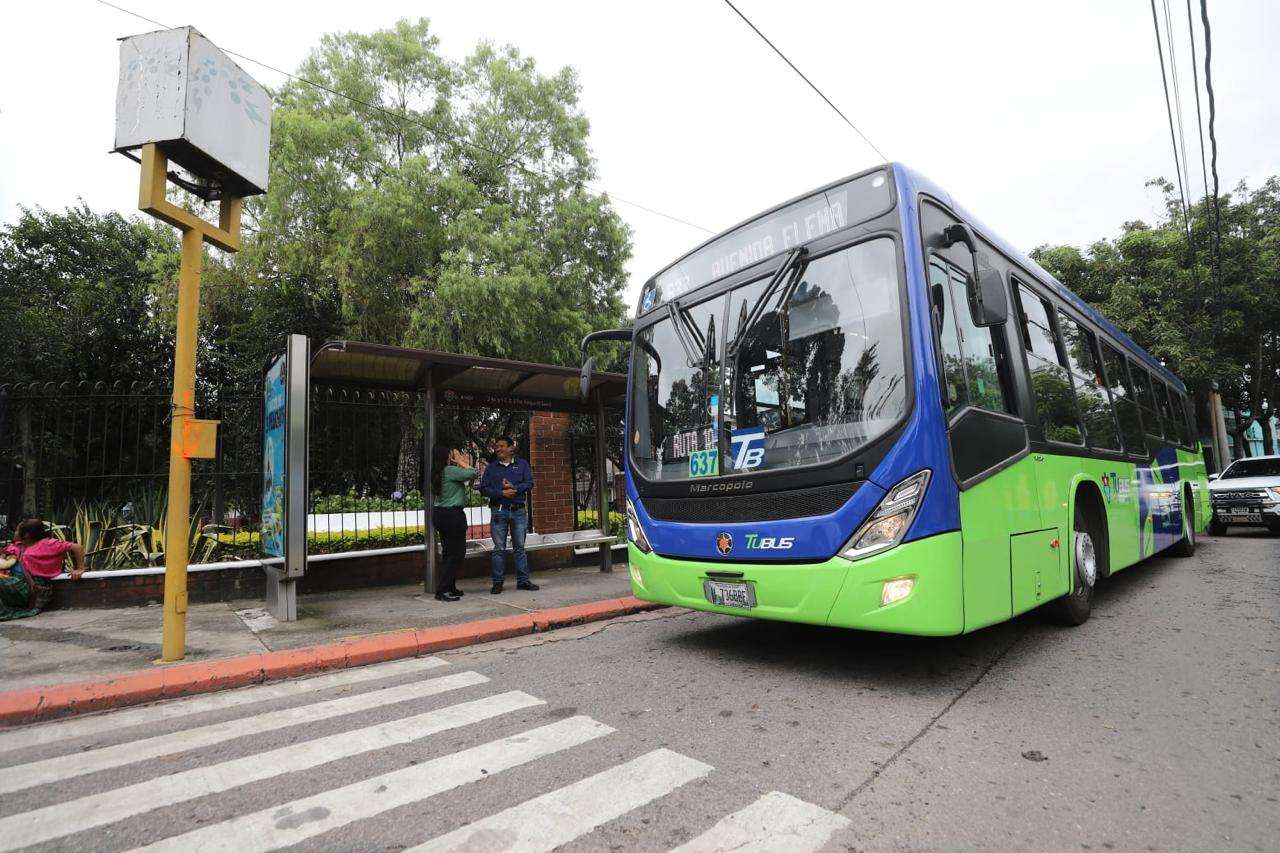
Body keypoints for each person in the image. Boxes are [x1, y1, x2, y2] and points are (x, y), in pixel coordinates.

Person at [478, 435, 538, 594]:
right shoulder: (491, 468)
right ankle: (497, 583)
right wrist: (501, 493)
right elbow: (483, 489)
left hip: (518, 511)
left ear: (511, 448)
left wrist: (515, 488)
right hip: (499, 511)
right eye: (497, 446)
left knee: (520, 547)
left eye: (502, 446)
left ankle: (523, 581)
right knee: (499, 548)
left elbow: (529, 483)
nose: (498, 449)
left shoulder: (522, 464)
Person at [1, 518, 85, 621]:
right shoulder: (19, 545)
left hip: (32, 587)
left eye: (17, 530)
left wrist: (80, 568)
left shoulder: (49, 544)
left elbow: (77, 547)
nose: (15, 533)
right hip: (17, 582)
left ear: (26, 534)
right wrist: (4, 556)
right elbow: (6, 551)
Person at [430, 445, 478, 603]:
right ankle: (442, 589)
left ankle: (450, 587)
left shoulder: (437, 472)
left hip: (440, 514)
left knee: (448, 553)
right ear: (446, 455)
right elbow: (473, 472)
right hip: (452, 515)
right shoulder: (449, 470)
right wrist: (460, 461)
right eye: (451, 453)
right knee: (457, 553)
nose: (454, 455)